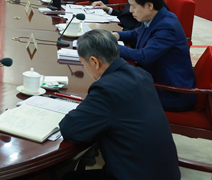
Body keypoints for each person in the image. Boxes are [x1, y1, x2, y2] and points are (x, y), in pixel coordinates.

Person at [57, 29, 179, 180]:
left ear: (94, 61)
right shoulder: (142, 75)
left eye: (83, 64)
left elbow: (70, 129)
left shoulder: (106, 89)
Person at [112, 0, 196, 111]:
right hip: (154, 79)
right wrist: (115, 35)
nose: (130, 10)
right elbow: (137, 33)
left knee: (115, 93)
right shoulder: (155, 16)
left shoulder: (167, 26)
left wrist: (110, 46)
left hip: (172, 93)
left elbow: (144, 56)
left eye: (133, 6)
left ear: (149, 5)